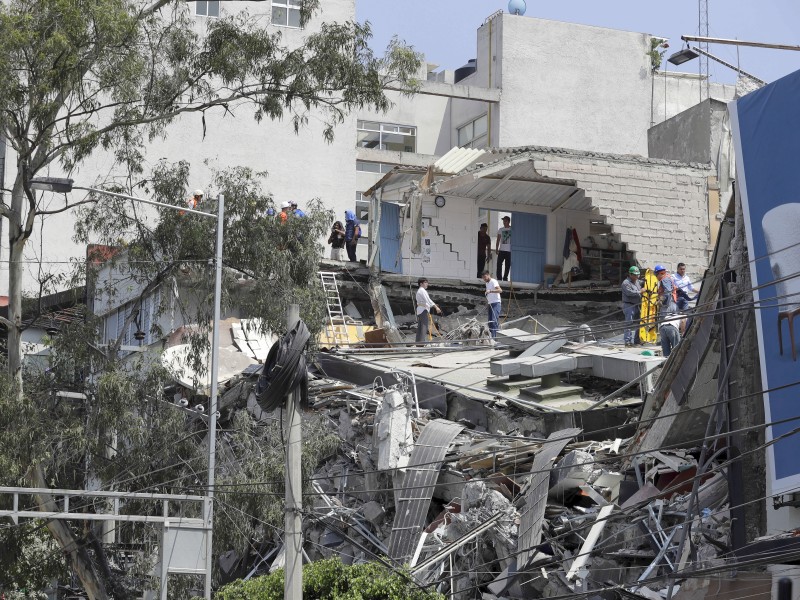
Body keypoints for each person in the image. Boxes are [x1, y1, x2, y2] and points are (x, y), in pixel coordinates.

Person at [655, 264, 680, 357]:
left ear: (659, 273)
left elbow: (667, 291)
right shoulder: (670, 278)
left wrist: (660, 300)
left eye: (656, 276)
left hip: (667, 305)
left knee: (664, 322)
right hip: (673, 304)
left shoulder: (664, 279)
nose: (657, 278)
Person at [415, 278, 441, 344]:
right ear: (421, 284)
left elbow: (427, 301)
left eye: (427, 282)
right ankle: (422, 342)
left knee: (420, 326)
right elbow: (428, 300)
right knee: (424, 326)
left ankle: (418, 342)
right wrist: (436, 307)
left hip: (421, 310)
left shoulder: (420, 291)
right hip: (423, 310)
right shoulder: (422, 290)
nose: (427, 284)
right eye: (425, 282)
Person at [621, 266, 642, 346]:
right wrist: (640, 292)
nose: (637, 276)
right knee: (628, 323)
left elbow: (643, 282)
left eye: (638, 275)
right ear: (630, 274)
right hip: (628, 305)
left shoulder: (637, 281)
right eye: (635, 275)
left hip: (637, 305)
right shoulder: (626, 283)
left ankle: (637, 339)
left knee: (640, 322)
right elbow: (630, 293)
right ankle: (627, 341)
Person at [482, 270, 502, 339]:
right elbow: (489, 295)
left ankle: (495, 339)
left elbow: (500, 290)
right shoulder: (487, 283)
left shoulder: (493, 281)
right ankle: (491, 338)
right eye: (483, 278)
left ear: (488, 275)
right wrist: (487, 304)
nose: (484, 279)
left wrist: (490, 291)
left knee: (494, 321)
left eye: (485, 277)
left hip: (496, 303)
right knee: (490, 322)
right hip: (490, 304)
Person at [495, 216, 512, 281]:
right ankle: (499, 278)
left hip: (509, 251)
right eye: (503, 221)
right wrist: (497, 249)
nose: (504, 222)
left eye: (505, 221)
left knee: (507, 265)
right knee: (499, 264)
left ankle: (505, 278)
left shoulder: (512, 229)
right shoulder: (501, 229)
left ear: (508, 221)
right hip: (501, 250)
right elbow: (498, 239)